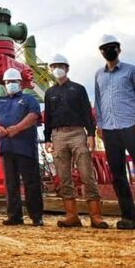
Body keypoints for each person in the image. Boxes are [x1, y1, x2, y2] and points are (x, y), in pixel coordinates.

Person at [94, 34, 135, 231]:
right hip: (109, 129)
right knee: (117, 175)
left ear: (119, 49)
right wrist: (99, 123)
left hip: (132, 125)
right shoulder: (99, 74)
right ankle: (129, 218)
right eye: (105, 47)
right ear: (101, 52)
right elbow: (98, 101)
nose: (109, 50)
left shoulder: (131, 71)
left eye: (112, 47)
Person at [43, 54, 107, 229]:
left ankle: (96, 216)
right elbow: (47, 116)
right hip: (58, 135)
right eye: (54, 66)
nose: (57, 69)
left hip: (78, 133)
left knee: (87, 174)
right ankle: (71, 215)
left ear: (67, 68)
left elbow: (87, 112)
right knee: (64, 177)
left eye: (60, 66)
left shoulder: (78, 89)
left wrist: (91, 134)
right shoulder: (50, 93)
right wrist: (47, 138)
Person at [0, 68, 43, 226]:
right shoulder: (0, 101)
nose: (10, 84)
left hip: (25, 148)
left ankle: (36, 216)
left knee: (31, 183)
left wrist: (17, 128)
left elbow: (33, 116)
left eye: (13, 82)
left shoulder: (28, 99)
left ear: (20, 83)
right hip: (7, 147)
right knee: (10, 183)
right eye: (7, 82)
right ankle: (14, 216)